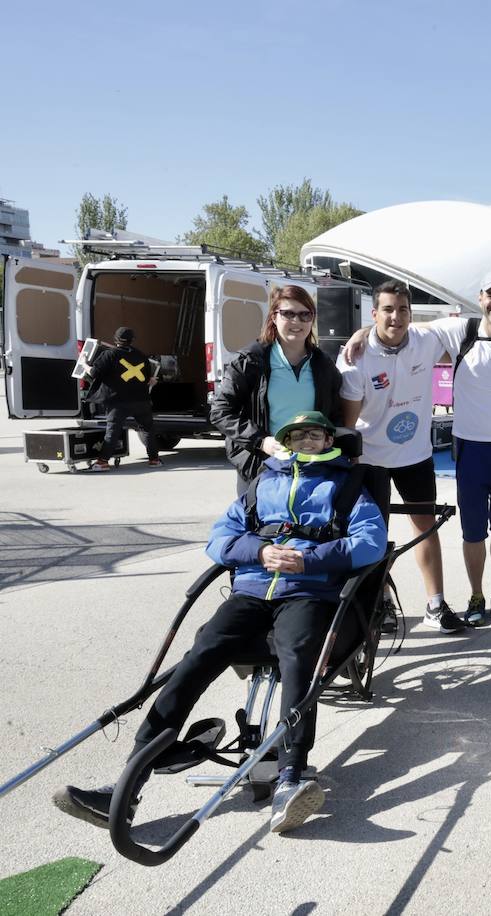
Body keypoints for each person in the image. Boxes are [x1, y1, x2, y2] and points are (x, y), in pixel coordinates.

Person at [54, 411, 386, 835]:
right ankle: (126, 786)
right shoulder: (261, 483)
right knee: (199, 655)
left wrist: (308, 558)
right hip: (252, 590)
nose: (305, 440)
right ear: (284, 442)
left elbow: (371, 543)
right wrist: (260, 552)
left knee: (298, 659)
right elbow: (219, 539)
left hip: (309, 592)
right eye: (296, 434)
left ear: (328, 441)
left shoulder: (348, 485)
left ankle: (290, 779)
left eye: (314, 434)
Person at [337, 280, 465, 634]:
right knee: (373, 535)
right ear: (374, 313)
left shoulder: (426, 341)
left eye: (403, 310)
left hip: (415, 456)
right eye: (388, 310)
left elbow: (478, 323)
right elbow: (348, 424)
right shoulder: (355, 359)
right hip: (371, 458)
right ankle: (379, 604)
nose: (396, 317)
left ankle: (436, 605)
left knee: (426, 528)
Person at [211, 286, 344, 496]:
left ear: (312, 319)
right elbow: (221, 412)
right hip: (261, 465)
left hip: (311, 467)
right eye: (288, 314)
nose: (296, 322)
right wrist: (261, 441)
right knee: (259, 527)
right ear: (274, 316)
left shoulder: (324, 365)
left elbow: (337, 415)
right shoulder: (249, 361)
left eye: (304, 315)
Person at [83, 326, 162, 470]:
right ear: (132, 340)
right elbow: (148, 380)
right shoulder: (142, 356)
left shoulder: (109, 354)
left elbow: (94, 373)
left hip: (118, 401)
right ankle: (154, 460)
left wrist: (83, 364)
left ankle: (103, 462)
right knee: (147, 429)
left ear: (115, 339)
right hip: (141, 400)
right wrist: (152, 381)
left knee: (112, 430)